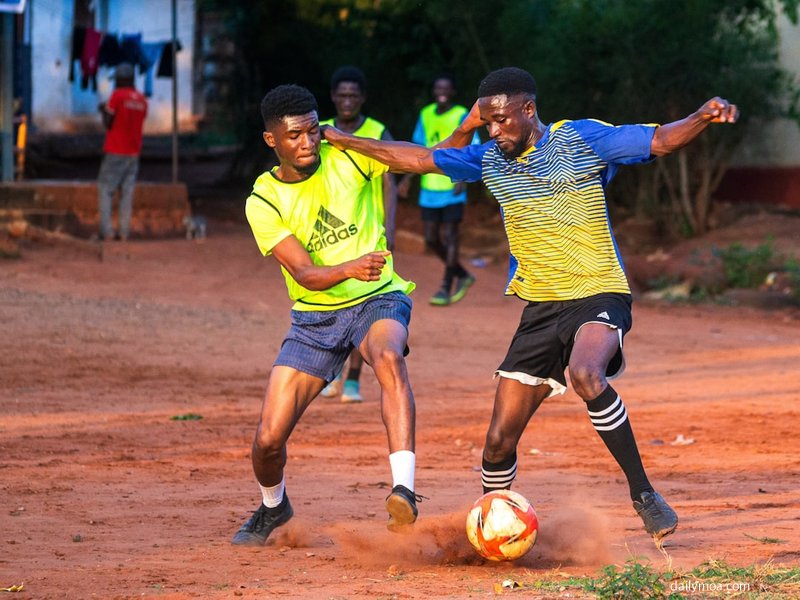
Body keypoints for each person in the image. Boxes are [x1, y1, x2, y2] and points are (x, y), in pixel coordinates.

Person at [321, 67, 738, 544]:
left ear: (528, 109)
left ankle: (643, 494)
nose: (493, 131)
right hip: (539, 307)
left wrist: (703, 115)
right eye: (487, 123)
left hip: (598, 290)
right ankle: (490, 524)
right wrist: (340, 139)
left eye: (500, 120)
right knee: (498, 442)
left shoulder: (578, 139)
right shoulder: (489, 159)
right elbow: (416, 159)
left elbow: (659, 140)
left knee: (586, 374)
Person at [232, 84, 420, 546]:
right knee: (267, 440)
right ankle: (274, 508)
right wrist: (351, 266)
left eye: (314, 131)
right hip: (314, 318)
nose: (308, 142)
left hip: (378, 297)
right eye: (295, 135)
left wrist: (353, 141)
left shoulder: (347, 156)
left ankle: (405, 491)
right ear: (271, 140)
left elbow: (421, 160)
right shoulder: (264, 200)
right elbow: (306, 274)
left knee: (388, 357)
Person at [318, 66, 398, 403]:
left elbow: (391, 185)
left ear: (362, 98)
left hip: (368, 236)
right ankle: (332, 372)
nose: (347, 100)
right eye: (342, 94)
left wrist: (389, 230)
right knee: (331, 305)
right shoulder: (319, 132)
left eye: (354, 95)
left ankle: (352, 378)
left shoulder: (378, 131)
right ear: (334, 97)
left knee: (364, 307)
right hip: (327, 234)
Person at [397, 74, 479, 306]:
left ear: (453, 92)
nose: (441, 92)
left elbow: (473, 148)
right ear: (434, 91)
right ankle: (463, 274)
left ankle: (446, 285)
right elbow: (420, 150)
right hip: (430, 188)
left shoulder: (462, 114)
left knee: (451, 236)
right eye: (438, 88)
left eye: (446, 88)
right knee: (431, 238)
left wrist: (463, 178)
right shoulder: (425, 114)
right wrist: (407, 179)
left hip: (453, 186)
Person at [97, 62, 147, 241]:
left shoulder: (116, 96)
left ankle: (107, 232)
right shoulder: (141, 99)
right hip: (134, 152)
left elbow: (108, 123)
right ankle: (124, 232)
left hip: (115, 150)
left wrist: (103, 111)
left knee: (105, 189)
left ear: (119, 79)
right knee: (127, 193)